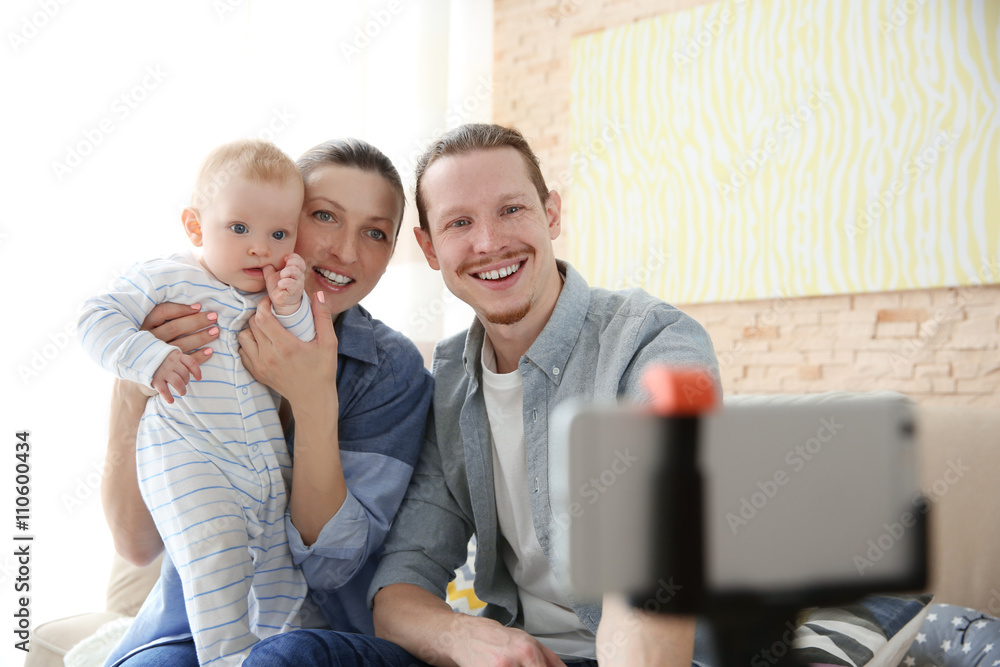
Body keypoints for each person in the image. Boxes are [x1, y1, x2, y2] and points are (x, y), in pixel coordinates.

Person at [247, 123, 721, 666]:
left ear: (552, 215)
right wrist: (464, 637)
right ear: (429, 247)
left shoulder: (654, 343)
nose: (489, 242)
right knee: (290, 658)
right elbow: (401, 585)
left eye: (512, 210)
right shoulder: (451, 379)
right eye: (459, 222)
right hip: (515, 656)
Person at [99, 138, 434, 666]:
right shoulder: (186, 317)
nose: (346, 251)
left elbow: (329, 569)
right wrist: (130, 388)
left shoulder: (389, 369)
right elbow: (136, 545)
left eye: (375, 233)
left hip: (315, 633)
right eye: (324, 216)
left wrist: (313, 399)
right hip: (187, 624)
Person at [80, 139, 315, 666]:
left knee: (282, 572)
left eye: (278, 234)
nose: (260, 248)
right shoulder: (167, 277)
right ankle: (226, 656)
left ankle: (277, 647)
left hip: (262, 465)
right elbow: (94, 318)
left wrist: (291, 303)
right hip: (189, 459)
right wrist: (146, 358)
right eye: (239, 229)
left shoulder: (268, 294)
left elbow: (303, 349)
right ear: (195, 227)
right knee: (216, 557)